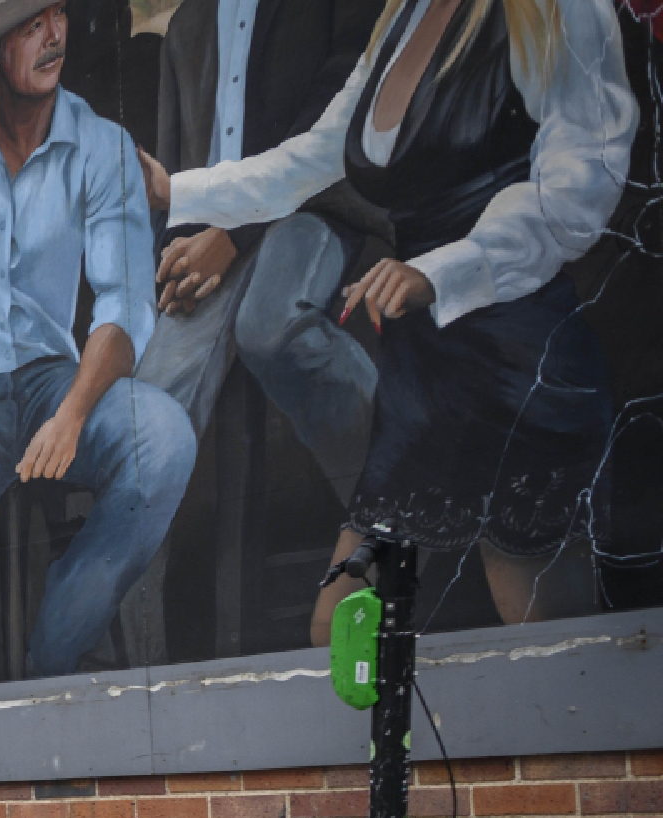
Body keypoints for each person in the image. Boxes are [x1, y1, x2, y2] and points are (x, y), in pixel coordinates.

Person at [155, 0, 634, 639]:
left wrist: (440, 272)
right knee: (339, 631)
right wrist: (175, 190)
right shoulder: (401, 17)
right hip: (427, 381)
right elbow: (308, 160)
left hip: (518, 373)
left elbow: (579, 192)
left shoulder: (556, 8)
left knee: (555, 648)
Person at [0, 0, 197, 684]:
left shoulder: (103, 145)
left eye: (56, 15)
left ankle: (58, 638)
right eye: (31, 25)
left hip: (61, 379)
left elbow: (125, 305)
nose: (55, 33)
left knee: (165, 437)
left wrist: (74, 412)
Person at [137, 0, 385, 508]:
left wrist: (236, 233)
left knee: (271, 328)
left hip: (314, 204)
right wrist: (172, 259)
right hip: (207, 232)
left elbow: (334, 123)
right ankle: (126, 589)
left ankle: (398, 485)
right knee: (146, 416)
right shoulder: (186, 27)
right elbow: (170, 163)